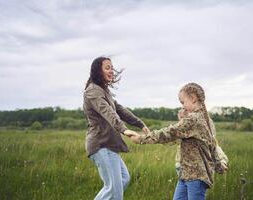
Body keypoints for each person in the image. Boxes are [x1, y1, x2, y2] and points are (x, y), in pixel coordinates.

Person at [127, 83, 228, 200]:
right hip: (185, 174)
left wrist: (140, 139)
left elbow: (169, 133)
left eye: (183, 102)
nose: (182, 106)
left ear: (193, 98)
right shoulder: (201, 118)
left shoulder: (194, 119)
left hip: (197, 176)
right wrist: (218, 164)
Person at [83, 56, 150, 200]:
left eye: (111, 68)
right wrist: (124, 130)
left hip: (109, 145)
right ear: (97, 71)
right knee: (114, 190)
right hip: (101, 144)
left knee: (123, 180)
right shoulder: (93, 91)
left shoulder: (103, 90)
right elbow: (108, 111)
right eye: (107, 68)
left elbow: (119, 109)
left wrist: (140, 123)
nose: (111, 71)